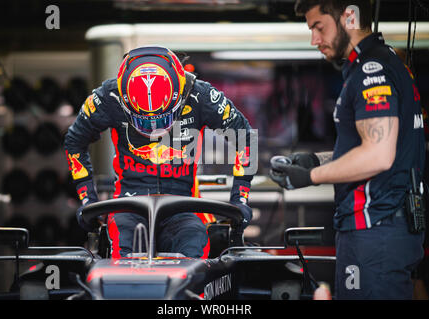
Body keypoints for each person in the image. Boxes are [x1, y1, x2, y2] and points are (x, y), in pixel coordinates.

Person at [270, 0, 426, 299]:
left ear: (349, 17)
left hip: (375, 228)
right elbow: (367, 146)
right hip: (383, 228)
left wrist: (311, 176)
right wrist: (312, 160)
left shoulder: (372, 69)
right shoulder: (378, 64)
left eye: (319, 27)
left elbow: (378, 155)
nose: (314, 39)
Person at [64, 45, 254, 259]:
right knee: (122, 257)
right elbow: (74, 141)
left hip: (183, 204)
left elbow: (246, 137)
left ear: (178, 95)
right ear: (125, 100)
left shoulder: (200, 94)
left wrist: (240, 199)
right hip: (129, 203)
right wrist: (87, 199)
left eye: (161, 119)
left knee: (195, 250)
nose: (154, 127)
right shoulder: (109, 96)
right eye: (145, 121)